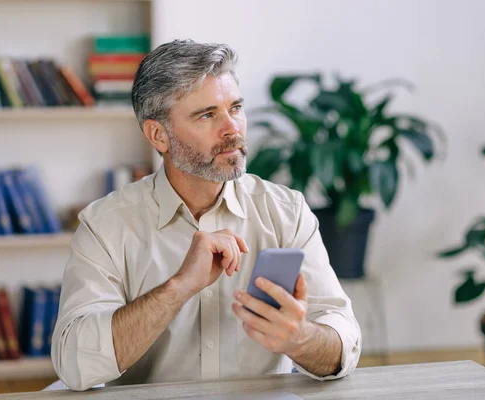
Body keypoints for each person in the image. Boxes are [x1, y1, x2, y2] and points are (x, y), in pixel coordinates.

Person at [51, 39, 362, 391]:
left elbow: (344, 344)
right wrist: (180, 287)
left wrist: (300, 338)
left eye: (236, 108)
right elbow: (75, 365)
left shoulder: (286, 213)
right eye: (208, 115)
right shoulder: (105, 226)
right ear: (158, 135)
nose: (233, 129)